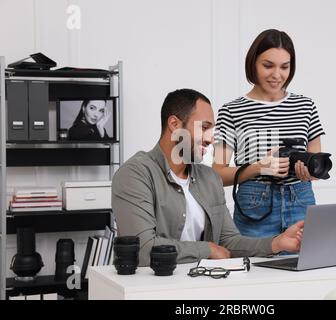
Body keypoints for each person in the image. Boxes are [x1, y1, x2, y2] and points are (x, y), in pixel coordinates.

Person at [112, 88, 304, 266]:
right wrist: (207, 249)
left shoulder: (210, 178)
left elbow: (229, 242)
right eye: (204, 128)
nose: (211, 139)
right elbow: (143, 249)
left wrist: (277, 243)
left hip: (203, 285)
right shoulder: (135, 174)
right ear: (174, 124)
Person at [213, 29, 325, 238]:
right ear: (253, 63)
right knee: (255, 269)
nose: (277, 75)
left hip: (300, 201)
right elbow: (217, 174)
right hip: (255, 206)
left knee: (307, 269)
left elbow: (316, 164)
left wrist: (308, 173)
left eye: (285, 67)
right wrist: (259, 168)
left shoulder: (306, 106)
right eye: (268, 65)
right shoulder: (231, 110)